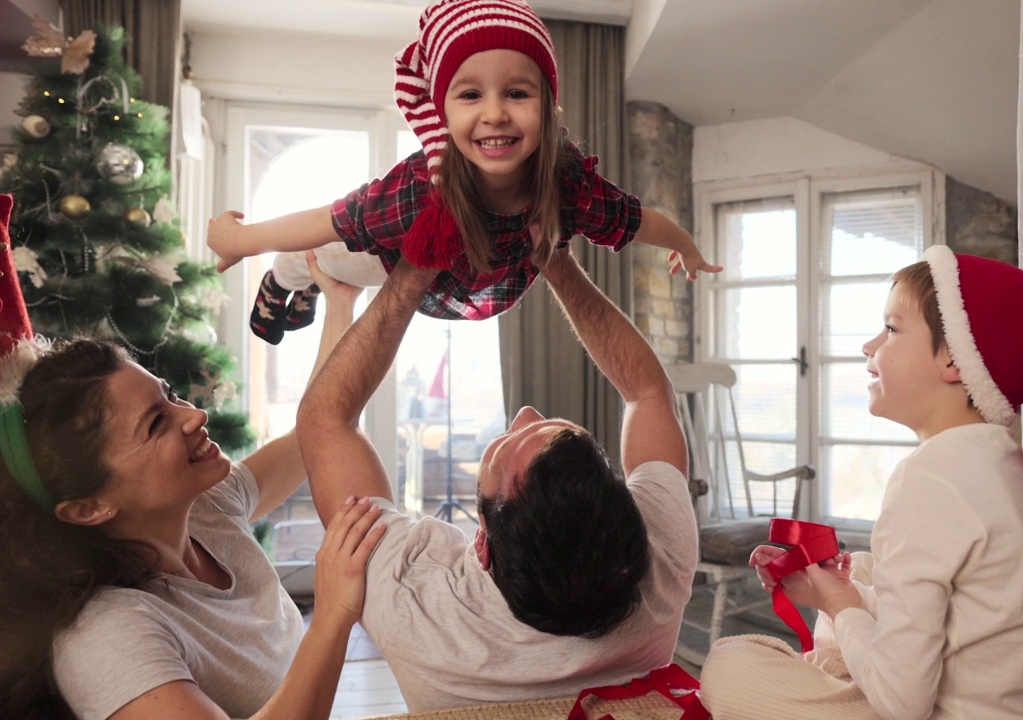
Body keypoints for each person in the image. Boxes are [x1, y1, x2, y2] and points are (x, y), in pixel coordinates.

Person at [699, 245, 1023, 719]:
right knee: (862, 569)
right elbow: (963, 619)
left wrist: (840, 606)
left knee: (730, 663)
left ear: (957, 362)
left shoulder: (927, 480)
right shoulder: (1004, 464)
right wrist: (836, 591)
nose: (869, 347)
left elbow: (903, 704)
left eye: (890, 329)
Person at [0, 197, 384, 719]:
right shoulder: (108, 634)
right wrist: (335, 611)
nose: (194, 417)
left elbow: (317, 429)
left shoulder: (206, 508)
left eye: (170, 395)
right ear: (89, 506)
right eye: (156, 424)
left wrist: (341, 303)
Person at [293, 249, 698, 711]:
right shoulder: (664, 554)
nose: (524, 412)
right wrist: (557, 263)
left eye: (501, 446)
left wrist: (412, 274)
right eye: (546, 425)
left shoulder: (418, 602)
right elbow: (647, 392)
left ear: (483, 546)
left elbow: (324, 419)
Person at [207, 0, 721, 345]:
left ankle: (306, 284)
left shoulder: (568, 184)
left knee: (327, 257)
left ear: (548, 106)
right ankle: (283, 282)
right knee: (317, 255)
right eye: (471, 94)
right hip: (393, 262)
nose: (495, 113)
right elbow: (328, 219)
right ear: (444, 110)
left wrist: (687, 245)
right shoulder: (418, 189)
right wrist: (241, 240)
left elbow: (637, 220)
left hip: (477, 291)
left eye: (517, 93)